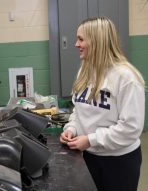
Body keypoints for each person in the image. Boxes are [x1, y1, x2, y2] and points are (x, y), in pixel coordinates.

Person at [60, 17, 145, 191]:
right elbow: (78, 110)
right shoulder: (84, 71)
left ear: (97, 41)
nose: (76, 44)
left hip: (119, 162)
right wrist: (71, 129)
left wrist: (91, 139)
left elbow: (131, 128)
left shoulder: (126, 77)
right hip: (89, 156)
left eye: (81, 39)